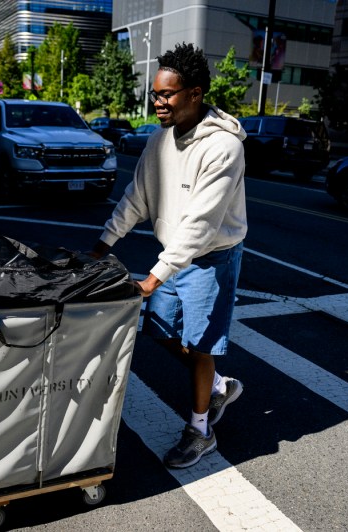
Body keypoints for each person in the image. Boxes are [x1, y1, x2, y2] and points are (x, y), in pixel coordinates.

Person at [89, 42, 247, 468]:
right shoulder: (159, 142)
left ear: (194, 93)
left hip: (211, 258)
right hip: (174, 255)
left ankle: (200, 431)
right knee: (159, 329)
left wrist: (152, 279)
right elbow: (136, 198)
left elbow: (200, 225)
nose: (157, 102)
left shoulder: (224, 148)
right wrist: (101, 246)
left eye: (166, 94)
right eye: (155, 93)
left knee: (199, 346)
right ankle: (217, 385)